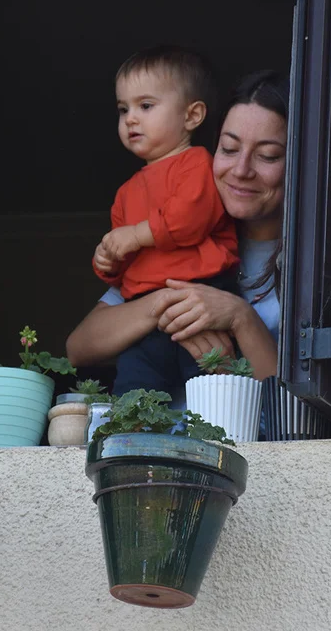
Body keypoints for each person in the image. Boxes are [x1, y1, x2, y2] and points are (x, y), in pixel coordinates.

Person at [69, 69, 289, 411]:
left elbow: (294, 414)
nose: (241, 170)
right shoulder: (185, 244)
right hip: (155, 440)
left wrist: (239, 317)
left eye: (268, 155)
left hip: (246, 439)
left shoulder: (311, 264)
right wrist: (170, 302)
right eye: (229, 149)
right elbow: (79, 346)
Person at [92, 45, 239, 399]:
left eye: (145, 106)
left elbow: (188, 220)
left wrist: (135, 235)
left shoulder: (198, 164)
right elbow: (127, 262)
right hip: (144, 315)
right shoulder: (126, 192)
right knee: (133, 394)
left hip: (200, 300)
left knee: (212, 392)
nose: (131, 118)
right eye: (123, 109)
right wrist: (108, 260)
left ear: (192, 116)